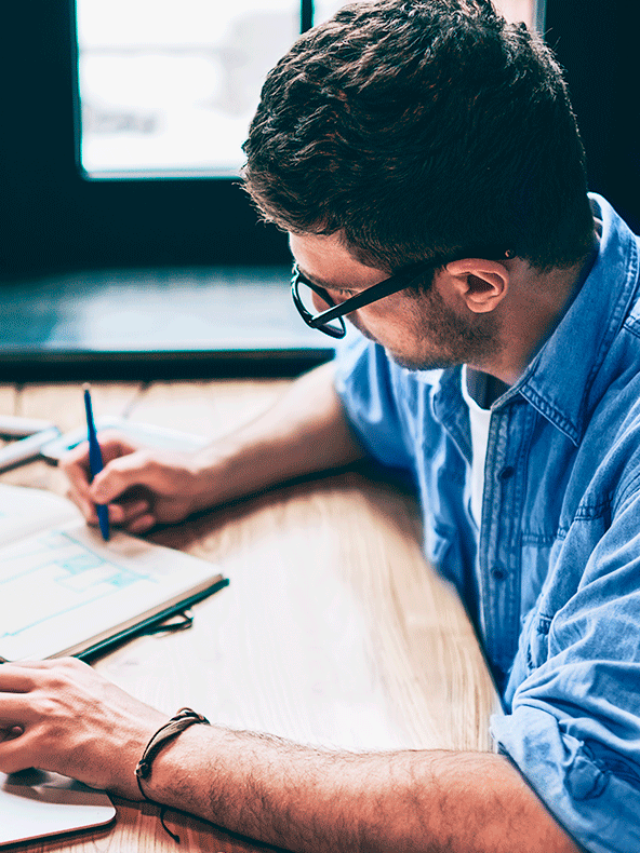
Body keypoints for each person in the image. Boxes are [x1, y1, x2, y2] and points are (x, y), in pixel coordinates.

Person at [0, 1, 638, 851]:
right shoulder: (496, 311)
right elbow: (361, 393)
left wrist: (143, 745)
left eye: (340, 297)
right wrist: (207, 469)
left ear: (476, 284)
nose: (334, 319)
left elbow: (542, 815)